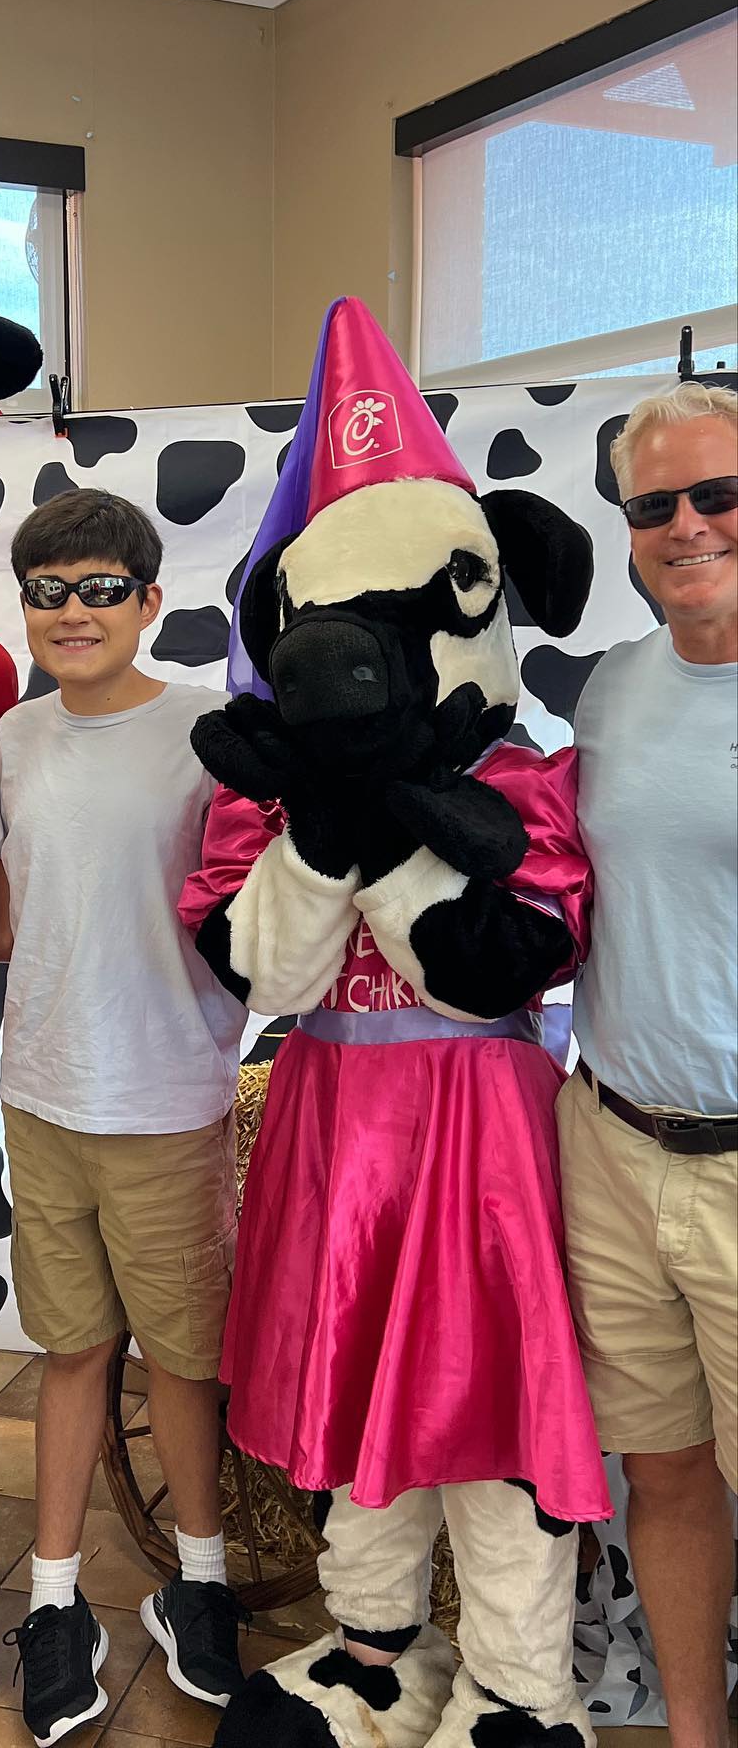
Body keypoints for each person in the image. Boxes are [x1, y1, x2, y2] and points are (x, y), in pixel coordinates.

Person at [0, 488, 248, 1746]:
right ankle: (57, 1600)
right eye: (48, 592)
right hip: (45, 1093)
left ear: (150, 600)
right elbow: (10, 907)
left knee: (183, 1358)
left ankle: (200, 1583)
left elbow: (253, 904)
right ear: (24, 606)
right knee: (71, 1351)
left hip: (169, 1097)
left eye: (101, 590)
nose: (74, 613)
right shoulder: (15, 738)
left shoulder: (211, 730)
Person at [560, 381, 737, 1748]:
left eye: (718, 495)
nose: (687, 525)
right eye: (655, 504)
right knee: (663, 1474)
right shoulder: (611, 688)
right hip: (611, 1140)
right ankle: (693, 1727)